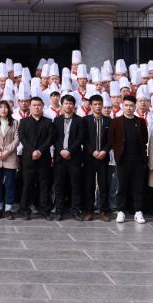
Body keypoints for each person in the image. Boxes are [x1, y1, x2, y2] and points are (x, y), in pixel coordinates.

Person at [108, 95, 149, 223]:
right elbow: (111, 140)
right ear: (122, 106)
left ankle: (138, 211)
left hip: (138, 160)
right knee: (121, 187)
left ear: (135, 106)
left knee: (138, 187)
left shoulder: (140, 122)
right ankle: (120, 211)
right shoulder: (116, 121)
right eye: (126, 105)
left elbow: (145, 139)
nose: (129, 108)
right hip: (122, 160)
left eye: (131, 105)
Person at [17, 97, 55, 220]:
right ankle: (24, 210)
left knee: (44, 185)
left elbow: (50, 139)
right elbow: (22, 138)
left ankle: (44, 210)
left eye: (39, 105)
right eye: (34, 105)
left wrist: (40, 151)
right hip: (28, 158)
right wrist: (32, 151)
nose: (36, 107)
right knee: (27, 185)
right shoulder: (24, 122)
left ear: (42, 106)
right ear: (30, 107)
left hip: (44, 158)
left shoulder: (48, 122)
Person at [52, 93, 85, 221]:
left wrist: (69, 150)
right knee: (59, 185)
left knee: (75, 185)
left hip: (74, 157)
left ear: (74, 106)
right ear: (62, 105)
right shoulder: (57, 120)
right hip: (59, 158)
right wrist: (61, 150)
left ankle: (75, 210)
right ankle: (59, 210)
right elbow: (54, 138)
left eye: (71, 103)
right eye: (66, 103)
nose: (68, 105)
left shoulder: (80, 120)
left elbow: (80, 138)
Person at [82, 94, 111, 221]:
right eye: (95, 104)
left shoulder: (109, 121)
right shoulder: (85, 120)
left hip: (103, 158)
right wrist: (92, 151)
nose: (98, 106)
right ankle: (89, 211)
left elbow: (111, 139)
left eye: (100, 104)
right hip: (89, 158)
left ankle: (104, 211)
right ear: (91, 106)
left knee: (104, 185)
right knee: (89, 185)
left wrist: (105, 151)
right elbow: (83, 138)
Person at [0, 99, 19, 219]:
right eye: (1, 107)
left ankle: (8, 209)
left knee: (10, 184)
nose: (3, 110)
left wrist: (7, 150)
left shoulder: (15, 122)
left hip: (10, 156)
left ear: (9, 109)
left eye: (6, 107)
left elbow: (17, 139)